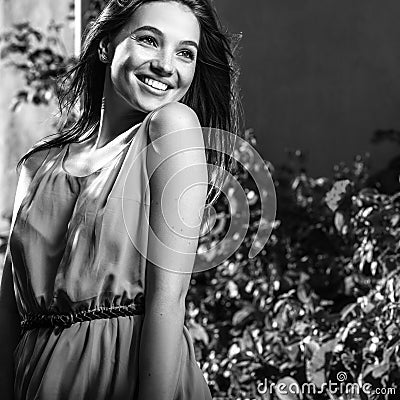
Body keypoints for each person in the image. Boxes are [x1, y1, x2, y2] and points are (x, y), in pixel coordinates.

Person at [0, 0, 242, 398]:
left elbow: (169, 301)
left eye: (185, 53)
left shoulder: (172, 127)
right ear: (105, 46)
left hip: (126, 379)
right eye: (149, 40)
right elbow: (8, 312)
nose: (167, 65)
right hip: (37, 380)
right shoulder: (37, 165)